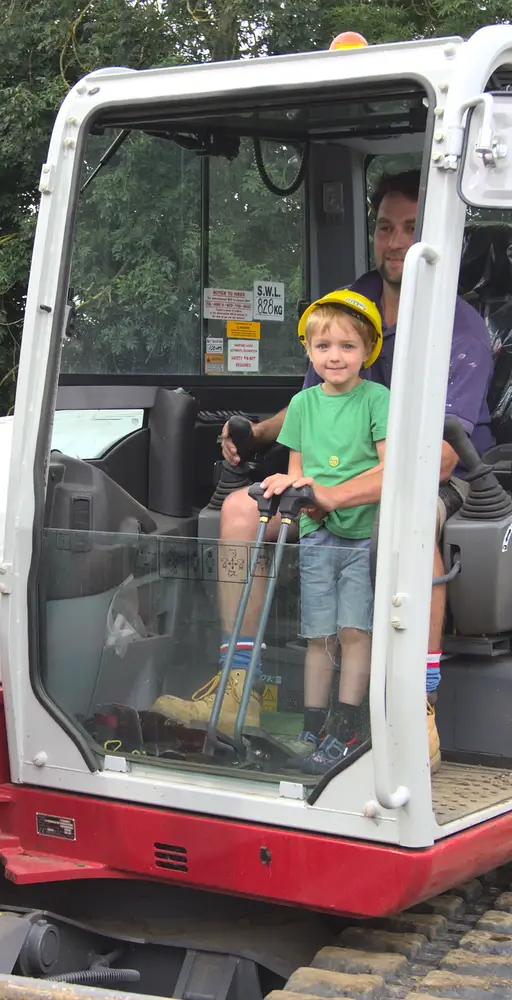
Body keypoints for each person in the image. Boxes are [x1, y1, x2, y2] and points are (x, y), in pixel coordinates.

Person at [150, 169, 494, 769]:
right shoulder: (352, 303)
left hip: (432, 470)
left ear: (435, 239)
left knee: (411, 526)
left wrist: (332, 494)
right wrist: (254, 436)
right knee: (238, 510)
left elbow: (436, 455)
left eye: (411, 230)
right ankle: (240, 687)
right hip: (336, 480)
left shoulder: (460, 326)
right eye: (385, 227)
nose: (395, 242)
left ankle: (420, 707)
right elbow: (318, 401)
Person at [254, 289, 390, 774]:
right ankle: (311, 726)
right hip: (316, 535)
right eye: (324, 346)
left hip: (362, 535)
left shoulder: (377, 400)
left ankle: (347, 726)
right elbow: (297, 470)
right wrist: (284, 492)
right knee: (318, 635)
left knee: (354, 631)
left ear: (368, 351)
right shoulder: (303, 403)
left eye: (348, 346)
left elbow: (386, 467)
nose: (335, 356)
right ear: (309, 351)